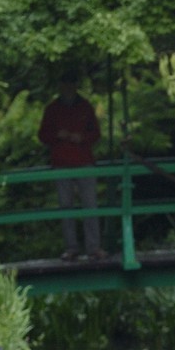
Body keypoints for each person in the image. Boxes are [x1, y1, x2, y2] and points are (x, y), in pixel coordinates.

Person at [38, 70, 105, 261]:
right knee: (66, 207)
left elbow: (95, 133)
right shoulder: (52, 109)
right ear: (61, 86)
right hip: (62, 163)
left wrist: (82, 138)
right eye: (65, 84)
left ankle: (93, 247)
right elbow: (43, 135)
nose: (68, 87)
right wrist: (57, 135)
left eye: (71, 83)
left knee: (90, 205)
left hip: (84, 161)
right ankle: (71, 247)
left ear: (75, 86)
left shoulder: (85, 107)